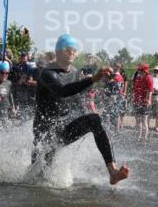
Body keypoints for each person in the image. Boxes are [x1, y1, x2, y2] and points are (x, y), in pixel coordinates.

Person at [30, 34, 129, 185]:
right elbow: (62, 91)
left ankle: (113, 172)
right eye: (68, 49)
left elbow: (75, 99)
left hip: (62, 129)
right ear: (58, 52)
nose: (72, 53)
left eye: (74, 50)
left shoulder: (74, 72)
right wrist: (92, 79)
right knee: (37, 178)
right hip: (44, 133)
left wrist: (94, 125)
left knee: (94, 120)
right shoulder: (47, 73)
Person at [131, 63, 153, 141]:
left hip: (145, 102)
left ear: (145, 70)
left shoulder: (149, 78)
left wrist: (148, 101)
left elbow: (150, 91)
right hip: (137, 101)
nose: (139, 71)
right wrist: (134, 99)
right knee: (138, 120)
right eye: (139, 70)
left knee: (144, 120)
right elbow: (135, 90)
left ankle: (144, 137)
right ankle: (138, 137)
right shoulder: (138, 78)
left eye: (140, 70)